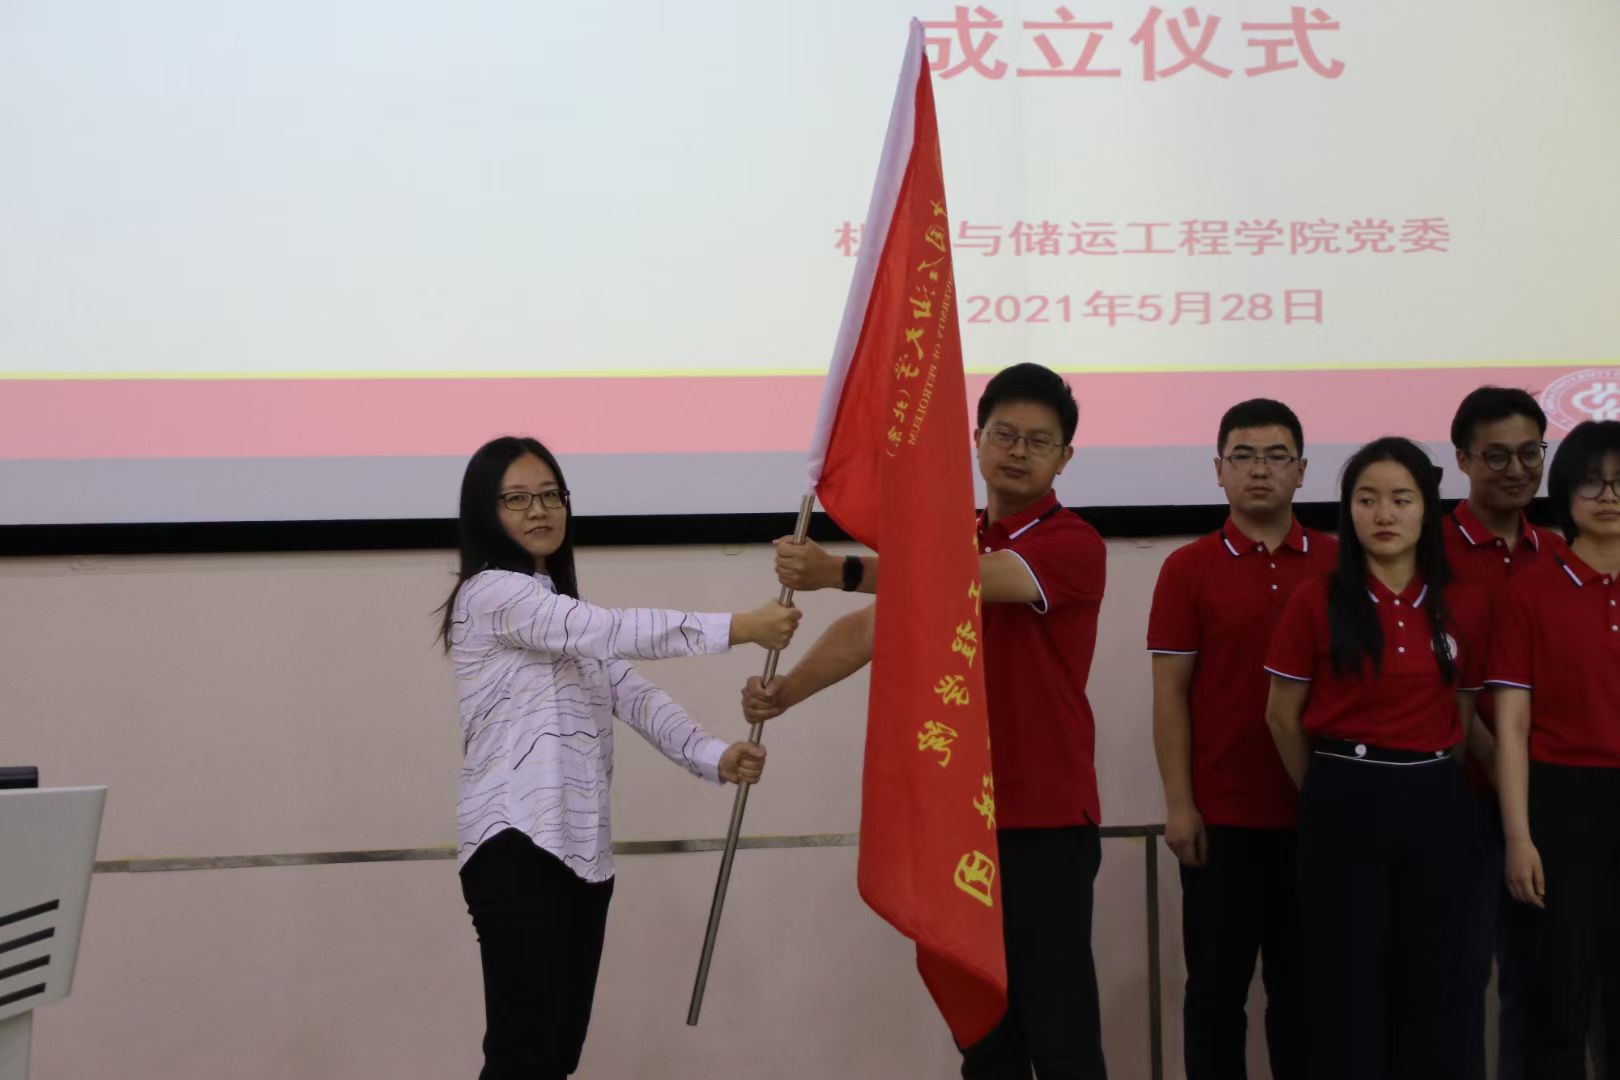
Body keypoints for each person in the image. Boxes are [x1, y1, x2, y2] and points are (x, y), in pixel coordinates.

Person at [750, 362, 1110, 1079]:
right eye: (1003, 434)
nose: (1018, 451)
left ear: (1065, 457)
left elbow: (974, 582)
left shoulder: (1074, 542)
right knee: (984, 1035)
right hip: (954, 819)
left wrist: (841, 570)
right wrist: (787, 691)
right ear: (975, 441)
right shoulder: (950, 538)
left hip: (1041, 819)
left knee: (1060, 1031)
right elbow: (871, 628)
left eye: (1038, 441)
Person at [439, 435, 800, 1080]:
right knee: (523, 1055)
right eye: (516, 499)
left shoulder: (559, 612)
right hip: (515, 843)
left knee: (555, 1056)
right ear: (484, 513)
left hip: (582, 853)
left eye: (550, 495)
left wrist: (715, 755)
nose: (538, 510)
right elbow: (613, 630)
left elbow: (633, 695)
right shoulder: (491, 595)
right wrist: (740, 627)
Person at [1263, 437, 1488, 1080]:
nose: (1384, 514)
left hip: (1435, 802)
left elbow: (1463, 716)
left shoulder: (1461, 601)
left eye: (1401, 499)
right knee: (1346, 983)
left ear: (1427, 510)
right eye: (1366, 499)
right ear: (1348, 510)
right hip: (1344, 799)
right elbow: (1281, 716)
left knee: (1433, 981)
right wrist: (1326, 788)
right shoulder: (1316, 599)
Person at [1147, 399, 1335, 1080]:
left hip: (1319, 816)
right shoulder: (1187, 567)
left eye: (1277, 456)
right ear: (1218, 470)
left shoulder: (1341, 562)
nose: (1260, 470)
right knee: (1215, 998)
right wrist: (1179, 804)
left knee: (1306, 998)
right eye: (1244, 456)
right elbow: (1170, 696)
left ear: (1302, 471)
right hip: (1220, 821)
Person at [1487, 420, 1620, 1080]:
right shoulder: (1531, 590)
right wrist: (1519, 837)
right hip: (1563, 801)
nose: (1608, 496)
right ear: (1566, 492)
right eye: (1593, 482)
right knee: (1559, 1001)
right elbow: (1511, 726)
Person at [1443, 387, 1565, 1080]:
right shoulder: (1424, 549)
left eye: (1529, 453)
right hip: (1457, 797)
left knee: (1541, 985)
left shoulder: (1562, 551)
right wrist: (1497, 760)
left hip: (1550, 800)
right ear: (1463, 459)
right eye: (1497, 456)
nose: (1517, 470)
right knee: (1455, 983)